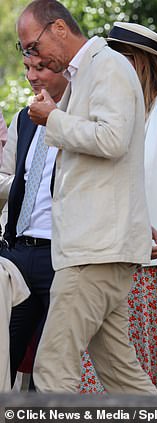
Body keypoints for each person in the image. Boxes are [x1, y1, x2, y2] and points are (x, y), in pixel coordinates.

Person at [17, 0, 157, 394]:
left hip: (95, 250)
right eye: (25, 52)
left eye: (32, 46)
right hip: (97, 248)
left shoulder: (108, 66)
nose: (32, 57)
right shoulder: (87, 73)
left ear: (59, 28)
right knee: (122, 376)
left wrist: (53, 120)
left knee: (52, 367)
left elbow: (112, 140)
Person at [79, 22, 157, 396]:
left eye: (122, 58)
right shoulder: (101, 107)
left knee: (151, 363)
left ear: (141, 62)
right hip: (105, 252)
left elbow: (156, 181)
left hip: (150, 259)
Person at [0, 55, 68, 389]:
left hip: (61, 257)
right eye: (27, 68)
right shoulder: (22, 120)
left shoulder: (80, 120)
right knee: (5, 358)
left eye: (39, 68)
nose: (30, 76)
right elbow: (6, 176)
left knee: (49, 366)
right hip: (16, 253)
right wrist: (26, 184)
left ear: (65, 69)